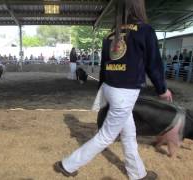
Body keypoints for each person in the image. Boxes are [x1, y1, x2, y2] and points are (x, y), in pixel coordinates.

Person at [54, 0, 172, 179]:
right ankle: (67, 165)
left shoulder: (111, 34)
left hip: (110, 88)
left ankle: (138, 174)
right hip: (124, 92)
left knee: (129, 133)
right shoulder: (145, 30)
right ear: (138, 6)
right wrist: (162, 89)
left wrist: (102, 89)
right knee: (106, 137)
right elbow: (153, 64)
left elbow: (104, 66)